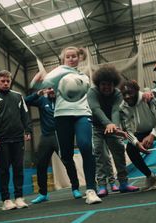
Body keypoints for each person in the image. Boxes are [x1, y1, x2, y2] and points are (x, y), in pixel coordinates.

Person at [32, 46, 102, 204]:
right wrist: (37, 82)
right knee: (66, 155)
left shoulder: (83, 77)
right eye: (68, 57)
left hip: (82, 114)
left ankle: (91, 189)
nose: (71, 59)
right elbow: (43, 86)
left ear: (79, 58)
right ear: (63, 59)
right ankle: (74, 186)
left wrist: (51, 78)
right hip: (62, 116)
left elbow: (78, 91)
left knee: (85, 146)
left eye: (74, 56)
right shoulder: (56, 73)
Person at [87, 65, 139, 197]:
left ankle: (123, 183)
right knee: (99, 155)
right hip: (97, 127)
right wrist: (108, 123)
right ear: (98, 84)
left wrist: (114, 126)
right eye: (103, 84)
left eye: (109, 84)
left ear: (114, 84)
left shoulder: (117, 94)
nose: (106, 87)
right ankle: (102, 185)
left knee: (119, 152)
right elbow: (96, 109)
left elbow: (116, 110)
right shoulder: (92, 92)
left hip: (113, 128)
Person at [24, 88, 81, 203]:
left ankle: (75, 189)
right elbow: (25, 101)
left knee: (68, 161)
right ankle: (43, 194)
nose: (51, 91)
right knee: (40, 164)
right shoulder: (42, 100)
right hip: (46, 137)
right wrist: (37, 93)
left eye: (53, 88)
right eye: (49, 88)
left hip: (61, 136)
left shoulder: (63, 100)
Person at [0, 70, 32, 210]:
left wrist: (28, 130)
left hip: (18, 139)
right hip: (2, 140)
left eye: (8, 81)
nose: (6, 83)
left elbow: (25, 115)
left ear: (10, 81)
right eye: (3, 81)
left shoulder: (18, 96)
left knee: (19, 169)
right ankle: (6, 200)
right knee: (4, 170)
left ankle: (19, 197)